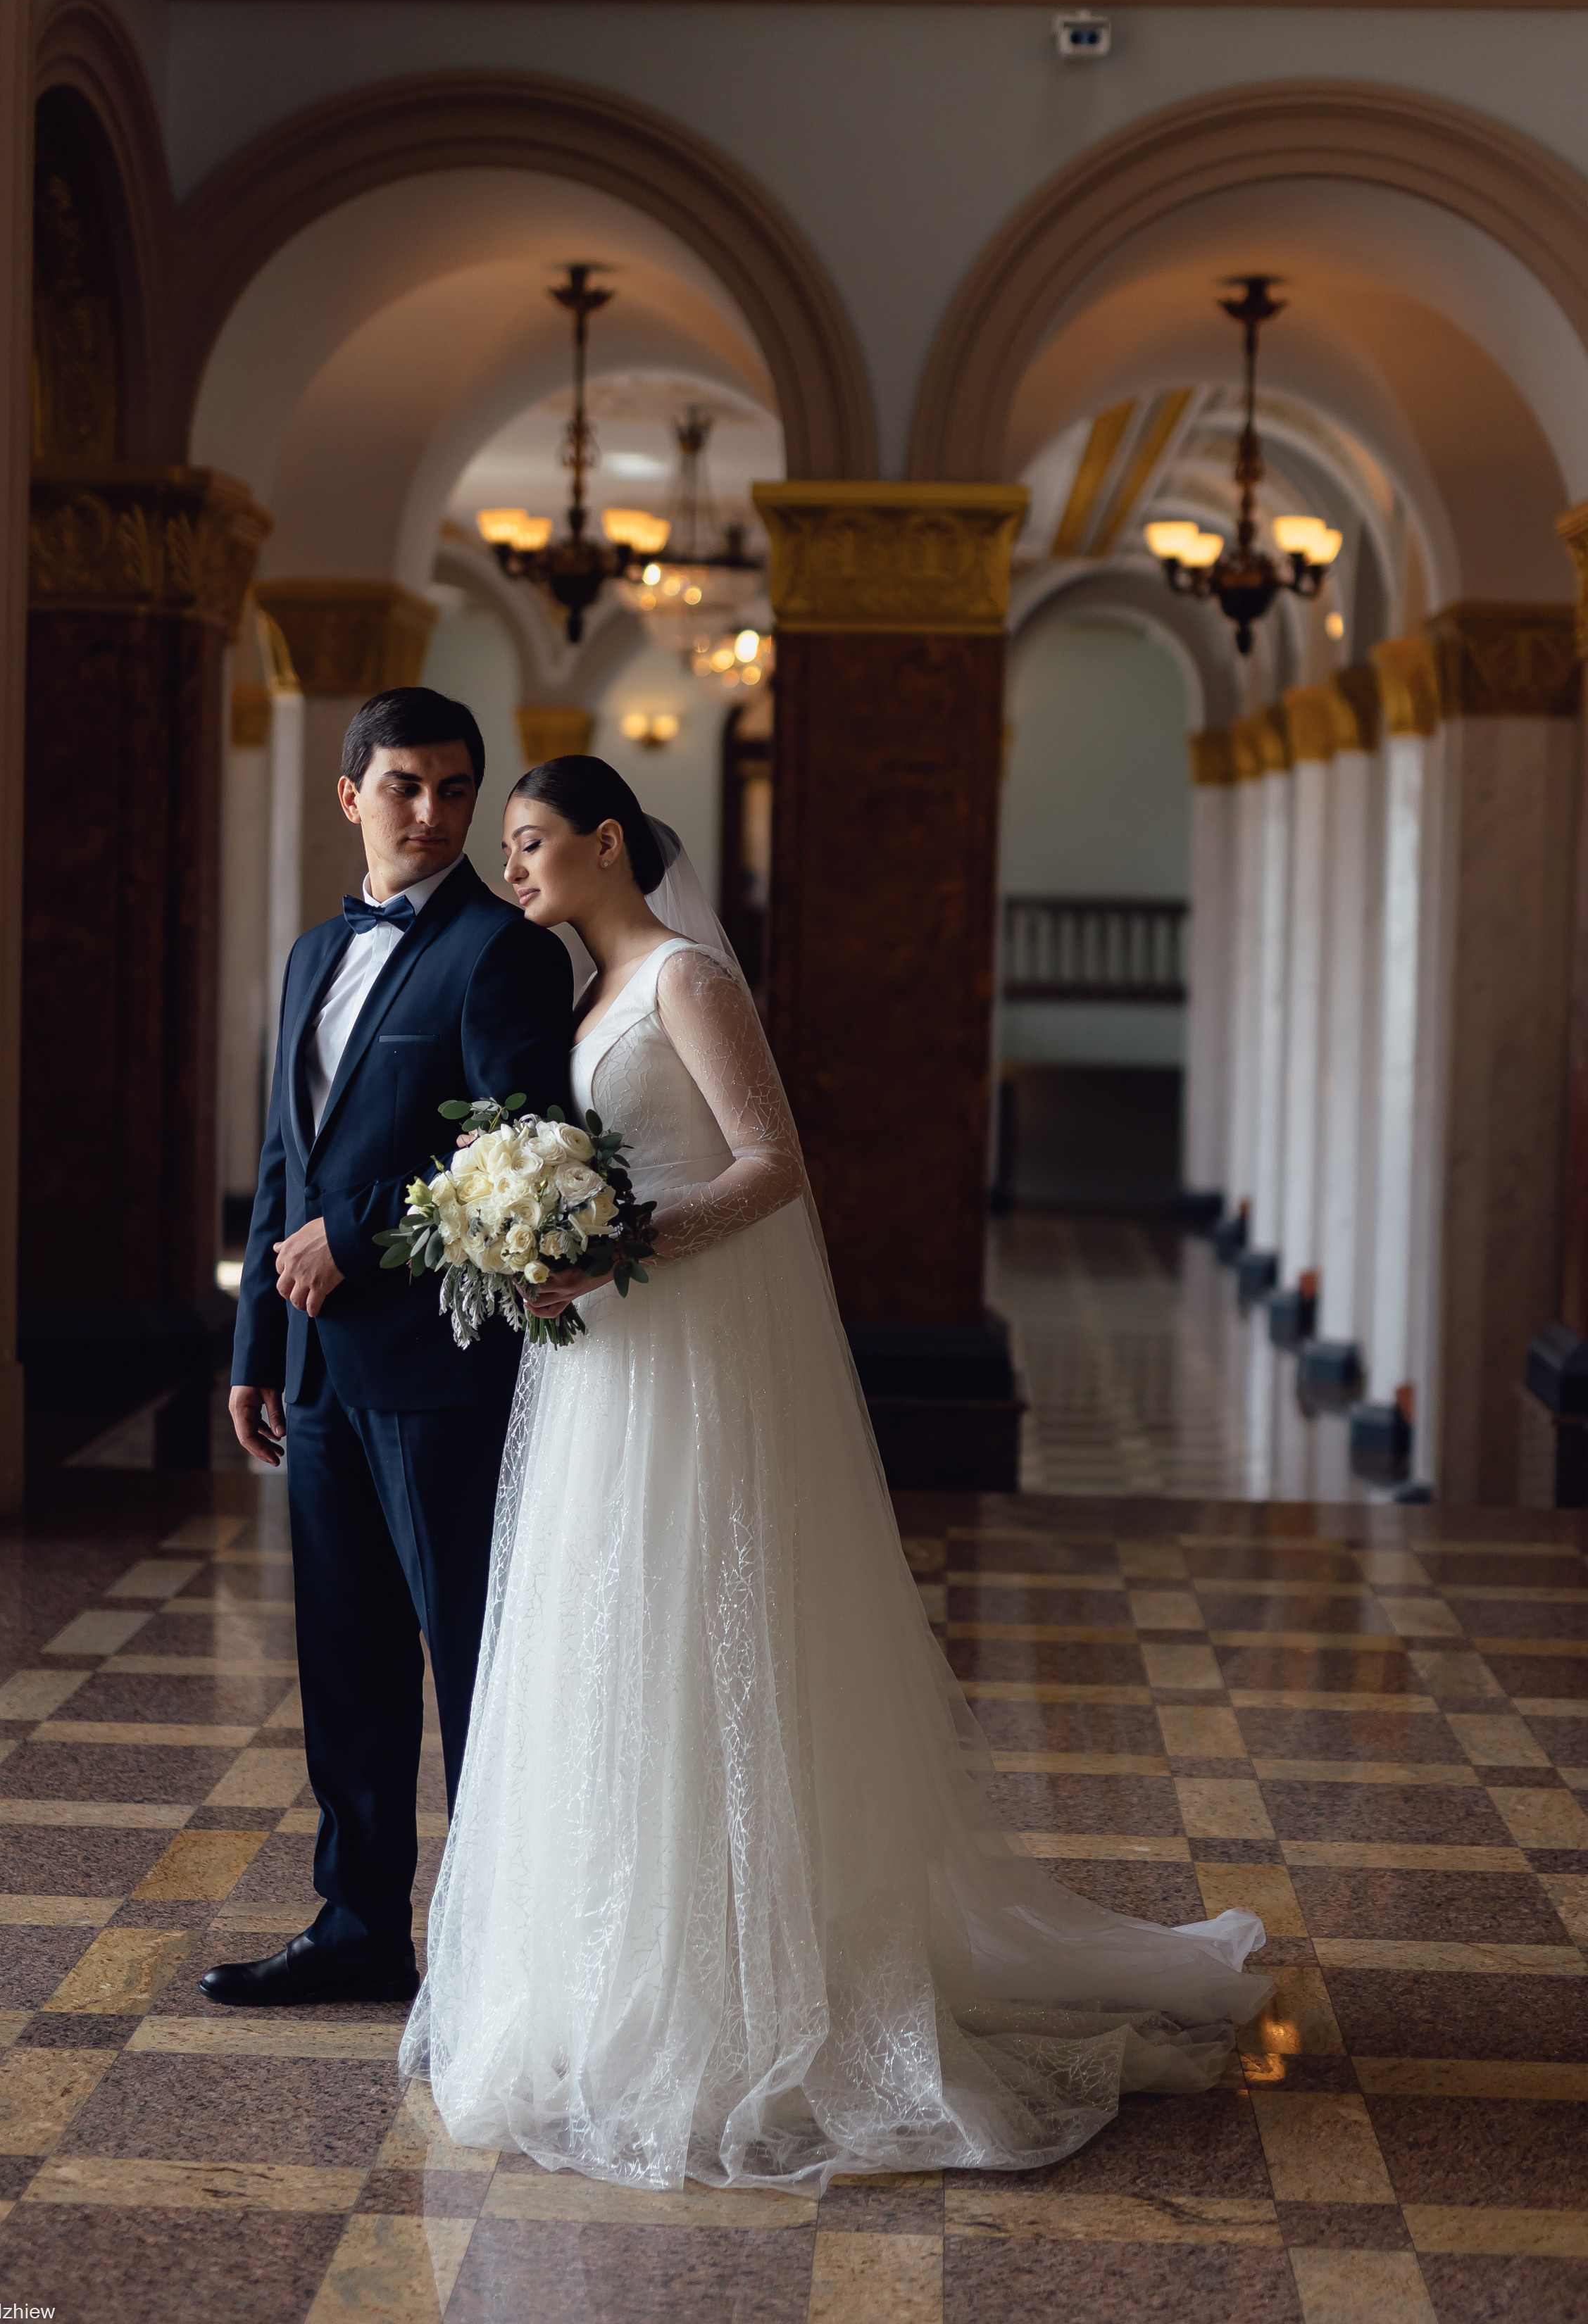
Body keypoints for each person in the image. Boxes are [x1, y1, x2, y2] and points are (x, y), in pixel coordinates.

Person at [402, 755, 1271, 2192]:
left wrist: (612, 1244)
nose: (513, 869)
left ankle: (753, 1997)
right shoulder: (583, 998)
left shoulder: (687, 976)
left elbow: (770, 1167)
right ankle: (618, 1968)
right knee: (605, 1646)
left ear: (610, 843)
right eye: (509, 847)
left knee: (703, 1637)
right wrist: (537, 1247)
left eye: (534, 839)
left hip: (697, 1355)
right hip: (607, 1370)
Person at [204, 689, 573, 2009]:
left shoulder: (503, 951)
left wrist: (353, 1238)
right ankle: (361, 1926)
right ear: (350, 794)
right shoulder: (313, 954)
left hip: (439, 1368)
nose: (435, 813)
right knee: (347, 1662)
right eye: (408, 785)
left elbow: (517, 1149)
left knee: (472, 1655)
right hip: (313, 1368)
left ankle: (495, 1948)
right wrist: (255, 1340)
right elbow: (279, 1160)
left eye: (459, 789)